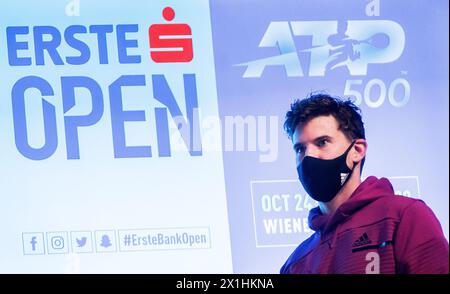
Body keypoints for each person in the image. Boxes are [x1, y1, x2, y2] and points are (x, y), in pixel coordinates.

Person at [280, 93, 449, 274]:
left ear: (357, 151)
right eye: (300, 149)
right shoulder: (295, 264)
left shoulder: (404, 218)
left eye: (322, 142)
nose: (308, 156)